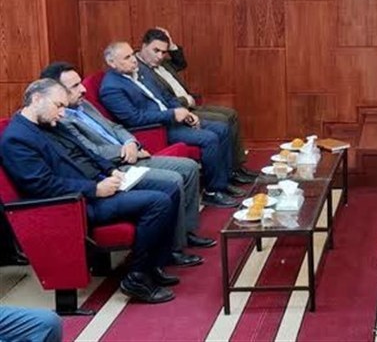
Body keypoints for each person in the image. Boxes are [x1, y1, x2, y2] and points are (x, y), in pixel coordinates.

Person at [0, 80, 180, 303]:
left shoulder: (50, 123)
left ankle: (153, 265)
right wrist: (94, 189)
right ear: (37, 99)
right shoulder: (16, 138)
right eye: (58, 105)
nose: (62, 112)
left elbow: (86, 152)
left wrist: (111, 170)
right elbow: (41, 185)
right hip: (74, 204)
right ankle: (137, 277)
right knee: (158, 202)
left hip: (95, 185)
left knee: (170, 188)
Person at [40, 61, 218, 263]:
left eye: (80, 83)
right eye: (74, 86)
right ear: (56, 92)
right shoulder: (61, 119)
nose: (82, 89)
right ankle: (174, 248)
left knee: (190, 167)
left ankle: (186, 231)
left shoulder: (83, 105)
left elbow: (115, 127)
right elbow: (90, 151)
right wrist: (124, 152)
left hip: (131, 153)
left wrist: (131, 142)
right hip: (115, 165)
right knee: (174, 179)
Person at [98, 42, 241, 207]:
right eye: (127, 57)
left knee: (221, 128)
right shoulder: (111, 87)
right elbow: (134, 119)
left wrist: (183, 111)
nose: (133, 59)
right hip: (156, 130)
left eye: (132, 54)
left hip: (172, 119)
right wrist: (172, 114)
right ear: (112, 63)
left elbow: (165, 97)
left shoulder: (140, 73)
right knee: (209, 138)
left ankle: (224, 180)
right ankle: (213, 191)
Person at [136, 28, 255, 185]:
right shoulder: (140, 70)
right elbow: (162, 101)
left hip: (189, 105)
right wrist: (185, 103)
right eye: (156, 50)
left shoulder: (161, 61)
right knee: (222, 121)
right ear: (144, 46)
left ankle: (236, 167)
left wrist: (171, 45)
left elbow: (181, 63)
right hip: (180, 109)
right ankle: (227, 174)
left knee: (231, 114)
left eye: (163, 52)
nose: (159, 56)